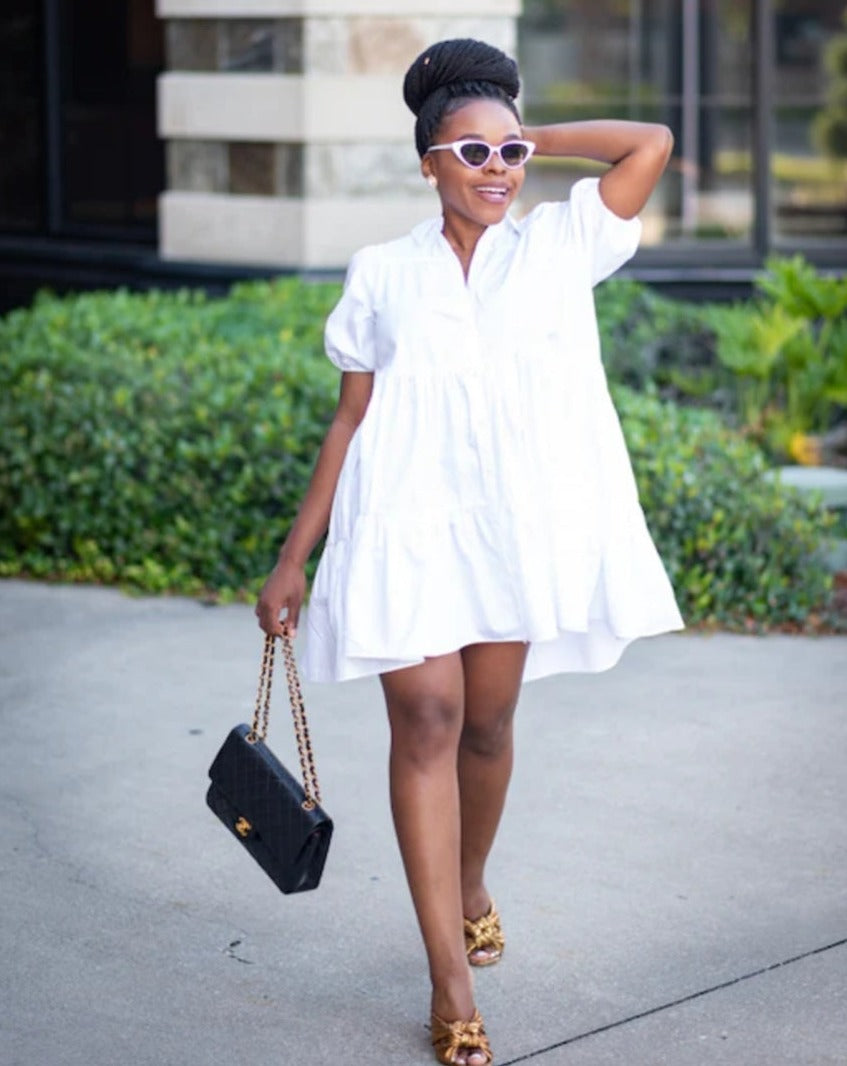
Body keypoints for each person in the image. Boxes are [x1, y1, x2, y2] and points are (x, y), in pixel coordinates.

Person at [256, 36, 684, 1066]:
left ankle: (471, 879)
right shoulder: (382, 273)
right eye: (471, 153)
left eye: (511, 154)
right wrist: (294, 556)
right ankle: (449, 981)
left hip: (509, 530)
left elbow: (652, 142)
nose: (497, 171)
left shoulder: (562, 244)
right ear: (427, 164)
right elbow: (350, 419)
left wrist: (524, 130)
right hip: (401, 524)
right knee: (429, 720)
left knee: (486, 726)